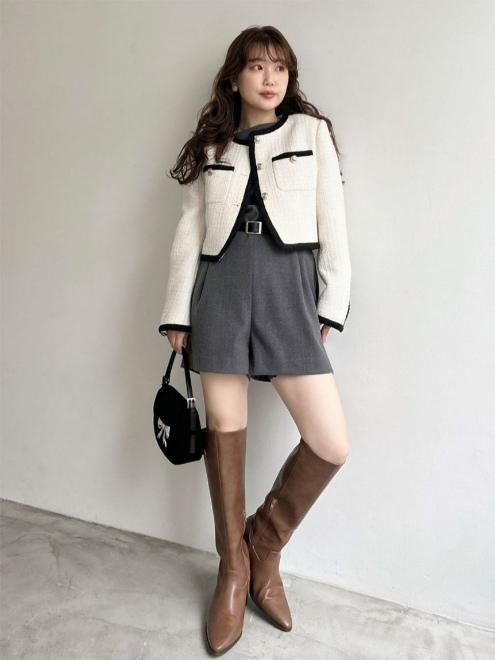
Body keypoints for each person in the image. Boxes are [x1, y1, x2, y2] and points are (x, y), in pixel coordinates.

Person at [158, 25, 351, 656]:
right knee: (225, 429)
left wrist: (331, 304)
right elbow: (190, 232)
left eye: (280, 68)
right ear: (235, 77)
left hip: (287, 292)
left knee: (330, 443)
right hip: (219, 290)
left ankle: (263, 544)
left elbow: (334, 225)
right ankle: (233, 570)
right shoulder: (212, 144)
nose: (270, 78)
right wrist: (177, 314)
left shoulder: (311, 134)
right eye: (257, 66)